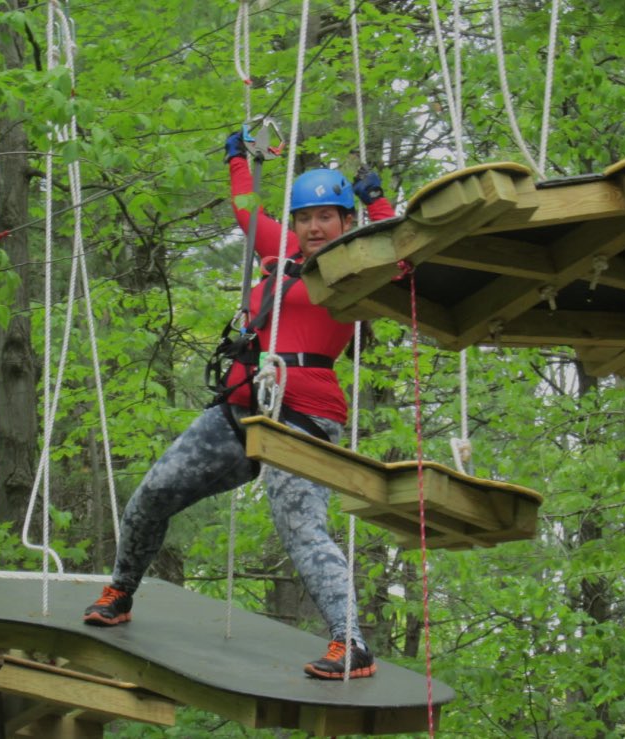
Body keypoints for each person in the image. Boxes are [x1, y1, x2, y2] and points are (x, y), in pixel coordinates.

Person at [83, 130, 396, 680]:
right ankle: (120, 591)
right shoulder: (282, 252)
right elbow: (246, 211)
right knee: (154, 492)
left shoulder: (359, 265)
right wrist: (237, 158)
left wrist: (379, 205)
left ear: (346, 222)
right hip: (241, 404)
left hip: (304, 413)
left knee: (302, 528)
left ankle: (351, 643)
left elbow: (405, 264)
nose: (315, 227)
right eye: (306, 218)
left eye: (327, 217)